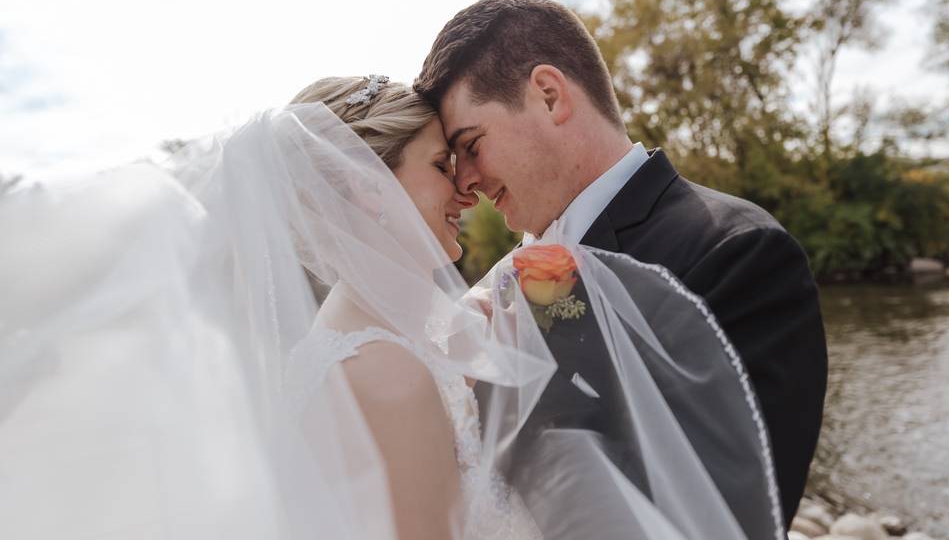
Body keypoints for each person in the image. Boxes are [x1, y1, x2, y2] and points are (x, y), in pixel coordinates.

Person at [0, 75, 783, 540]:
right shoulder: (388, 373)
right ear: (359, 191)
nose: (466, 188)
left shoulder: (366, 339)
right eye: (443, 164)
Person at [414, 0, 828, 527]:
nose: (465, 183)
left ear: (548, 95)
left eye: (471, 144)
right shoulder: (505, 281)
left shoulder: (738, 253)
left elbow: (735, 516)